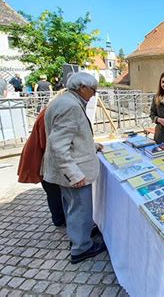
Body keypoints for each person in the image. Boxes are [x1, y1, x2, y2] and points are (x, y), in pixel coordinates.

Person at [43, 72, 106, 264]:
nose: (94, 95)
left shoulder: (63, 101)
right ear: (82, 88)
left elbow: (73, 137)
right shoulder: (70, 106)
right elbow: (58, 144)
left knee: (73, 208)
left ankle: (79, 235)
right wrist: (74, 174)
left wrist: (92, 146)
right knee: (79, 208)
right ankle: (81, 248)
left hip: (69, 168)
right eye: (93, 90)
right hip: (74, 171)